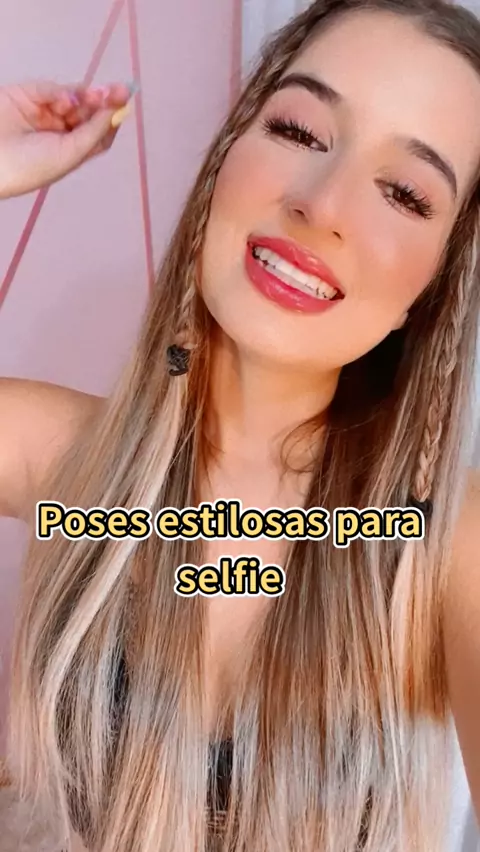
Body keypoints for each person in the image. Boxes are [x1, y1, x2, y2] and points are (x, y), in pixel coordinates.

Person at [1, 0, 480, 849]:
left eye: (405, 194)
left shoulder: (446, 552)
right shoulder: (68, 458)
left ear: (433, 288)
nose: (321, 204)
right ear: (227, 157)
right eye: (298, 131)